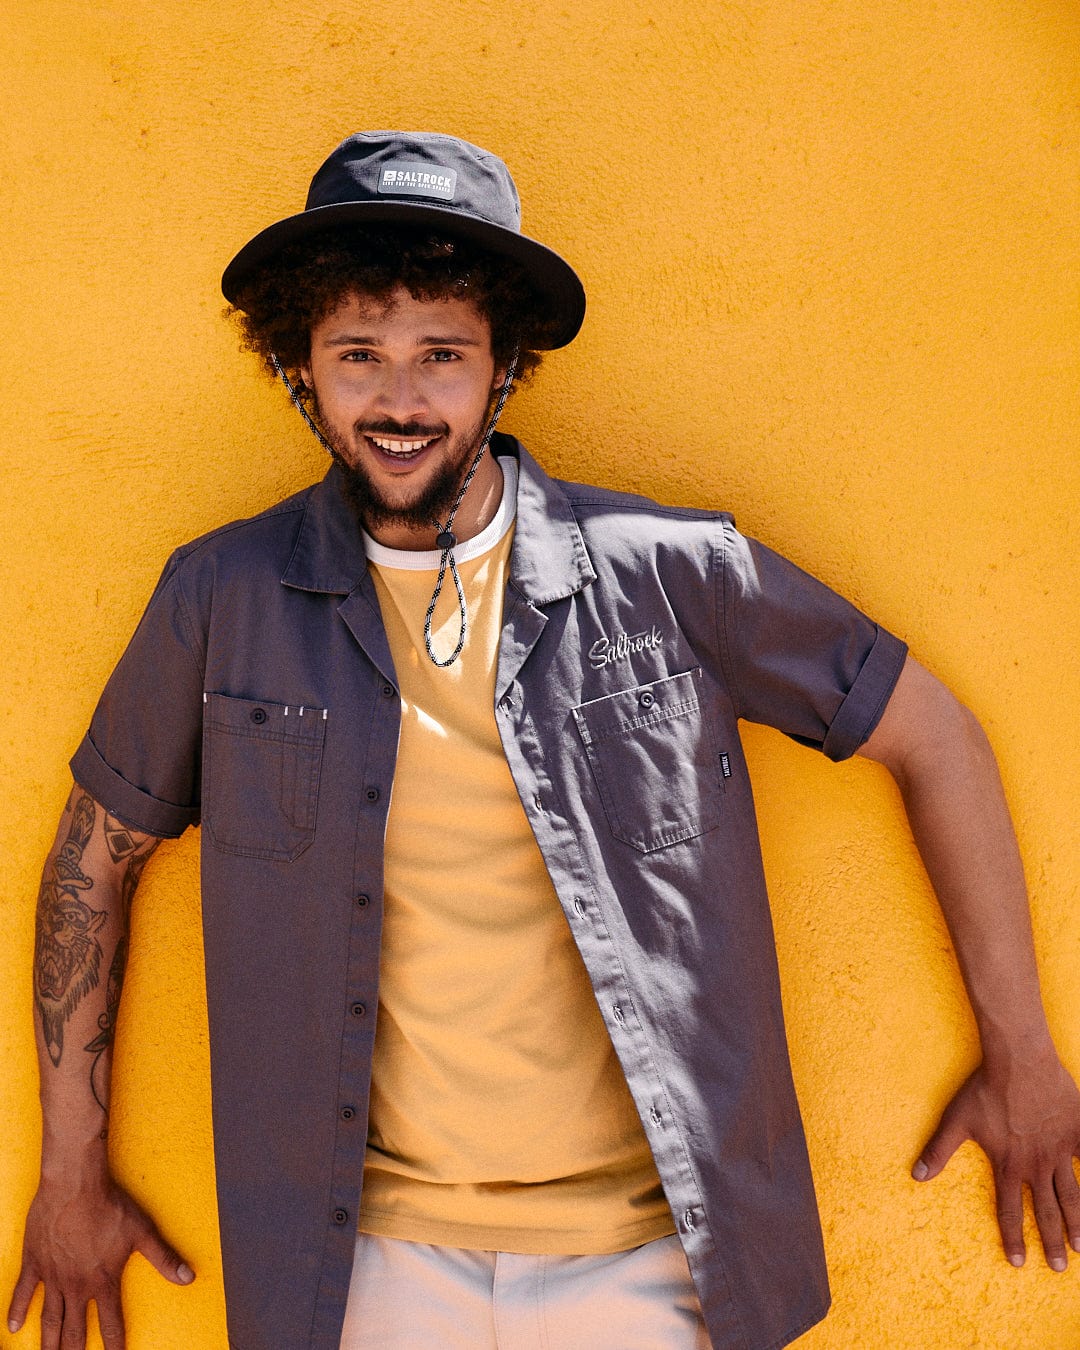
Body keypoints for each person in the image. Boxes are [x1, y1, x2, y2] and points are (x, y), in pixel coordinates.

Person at [9, 130, 1080, 1350]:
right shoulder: (223, 598)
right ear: (300, 364)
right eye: (358, 353)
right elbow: (93, 858)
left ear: (504, 366)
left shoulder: (676, 577)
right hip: (361, 1269)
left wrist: (1024, 1057)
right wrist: (71, 1176)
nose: (401, 399)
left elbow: (932, 734)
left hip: (652, 1265)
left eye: (442, 356)